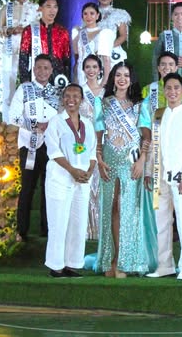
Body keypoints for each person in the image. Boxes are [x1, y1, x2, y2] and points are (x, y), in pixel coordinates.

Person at [94, 61, 157, 277]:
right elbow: (98, 135)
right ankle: (111, 259)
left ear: (132, 80)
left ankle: (125, 261)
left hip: (131, 163)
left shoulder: (140, 104)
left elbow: (146, 136)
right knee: (111, 208)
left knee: (127, 209)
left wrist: (142, 161)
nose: (122, 79)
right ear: (113, 78)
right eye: (118, 75)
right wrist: (99, 159)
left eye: (126, 75)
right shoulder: (103, 103)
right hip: (109, 161)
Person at [145, 73, 182, 281]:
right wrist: (149, 171)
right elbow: (154, 145)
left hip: (180, 178)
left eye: (176, 88)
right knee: (161, 221)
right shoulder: (158, 114)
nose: (172, 92)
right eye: (168, 88)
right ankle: (164, 265)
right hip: (160, 176)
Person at [44, 84, 97, 278]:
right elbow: (53, 150)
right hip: (60, 177)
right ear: (63, 99)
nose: (71, 99)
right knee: (58, 222)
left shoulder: (87, 124)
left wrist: (89, 171)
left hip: (82, 180)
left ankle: (72, 264)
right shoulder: (56, 122)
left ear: (81, 100)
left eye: (75, 96)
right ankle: (56, 265)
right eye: (67, 96)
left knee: (78, 223)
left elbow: (92, 151)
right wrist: (72, 170)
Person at [9, 54, 61, 241]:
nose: (42, 71)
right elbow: (13, 116)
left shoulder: (58, 92)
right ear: (33, 69)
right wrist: (35, 125)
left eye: (46, 68)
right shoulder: (24, 89)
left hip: (51, 146)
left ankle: (47, 230)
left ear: (51, 71)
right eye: (38, 67)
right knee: (27, 187)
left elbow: (63, 118)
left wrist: (50, 126)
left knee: (49, 188)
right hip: (29, 145)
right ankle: (22, 231)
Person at [0, 0, 40, 122]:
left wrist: (26, 31)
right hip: (9, 51)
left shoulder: (36, 9)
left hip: (29, 53)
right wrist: (9, 30)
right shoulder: (6, 8)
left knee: (29, 85)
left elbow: (40, 30)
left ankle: (29, 122)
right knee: (8, 87)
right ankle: (7, 122)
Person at [79, 54, 105, 240]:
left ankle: (100, 229)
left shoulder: (106, 92)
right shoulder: (79, 91)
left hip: (103, 143)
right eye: (87, 67)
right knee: (85, 184)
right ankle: (87, 229)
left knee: (100, 185)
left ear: (100, 70)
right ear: (83, 69)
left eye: (94, 67)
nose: (91, 70)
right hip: (83, 144)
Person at [19, 0, 71, 84]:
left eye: (55, 7)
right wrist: (25, 81)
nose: (52, 10)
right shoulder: (29, 30)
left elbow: (66, 59)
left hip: (58, 77)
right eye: (48, 6)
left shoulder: (63, 32)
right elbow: (23, 58)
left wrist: (66, 80)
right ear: (40, 8)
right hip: (37, 76)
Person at [72, 2, 114, 85]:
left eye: (92, 13)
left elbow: (106, 60)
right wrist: (76, 76)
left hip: (96, 73)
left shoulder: (104, 33)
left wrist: (104, 82)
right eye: (85, 14)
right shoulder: (78, 32)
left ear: (97, 15)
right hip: (81, 73)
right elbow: (77, 57)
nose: (88, 17)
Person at [142, 51, 182, 117]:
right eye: (163, 64)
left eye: (171, 64)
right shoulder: (147, 89)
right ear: (158, 68)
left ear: (176, 68)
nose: (167, 67)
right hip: (155, 123)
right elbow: (144, 116)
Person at [96, 0, 130, 68]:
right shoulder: (91, 12)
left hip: (111, 50)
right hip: (94, 50)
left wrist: (107, 48)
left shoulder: (119, 13)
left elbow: (123, 36)